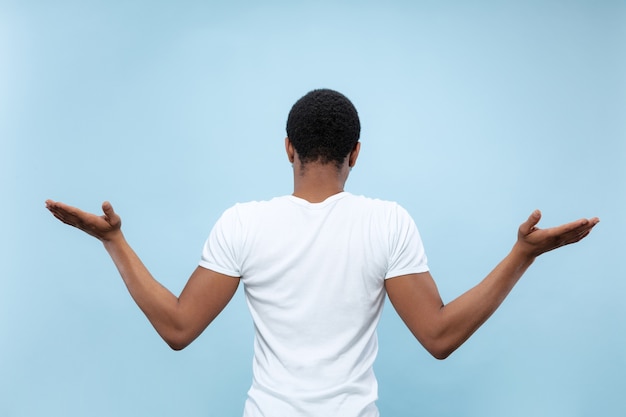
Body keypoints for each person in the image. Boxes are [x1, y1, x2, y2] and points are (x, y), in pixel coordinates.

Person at [46, 89, 599, 417]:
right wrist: (521, 256)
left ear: (288, 147)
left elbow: (177, 327)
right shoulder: (388, 222)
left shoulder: (244, 223)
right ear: (355, 152)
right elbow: (439, 336)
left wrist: (114, 241)